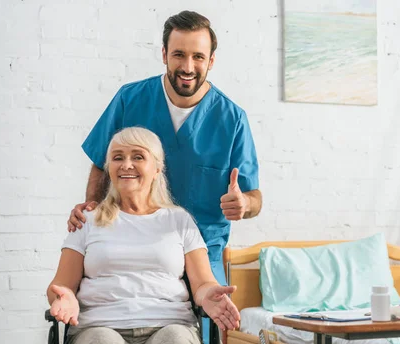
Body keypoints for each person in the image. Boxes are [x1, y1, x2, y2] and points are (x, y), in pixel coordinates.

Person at [67, 10, 262, 286]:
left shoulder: (231, 119)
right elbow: (101, 164)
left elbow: (254, 197)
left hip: (203, 251)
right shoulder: (130, 100)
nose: (188, 67)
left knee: (212, 313)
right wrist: (91, 214)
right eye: (179, 54)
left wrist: (244, 204)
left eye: (198, 57)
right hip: (133, 246)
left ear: (212, 60)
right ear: (164, 54)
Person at [48, 127, 240, 344]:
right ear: (109, 167)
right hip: (98, 330)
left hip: (168, 327)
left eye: (138, 157)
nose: (126, 165)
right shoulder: (87, 222)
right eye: (117, 157)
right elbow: (61, 285)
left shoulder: (179, 220)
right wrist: (64, 297)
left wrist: (209, 294)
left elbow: (203, 282)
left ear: (157, 168)